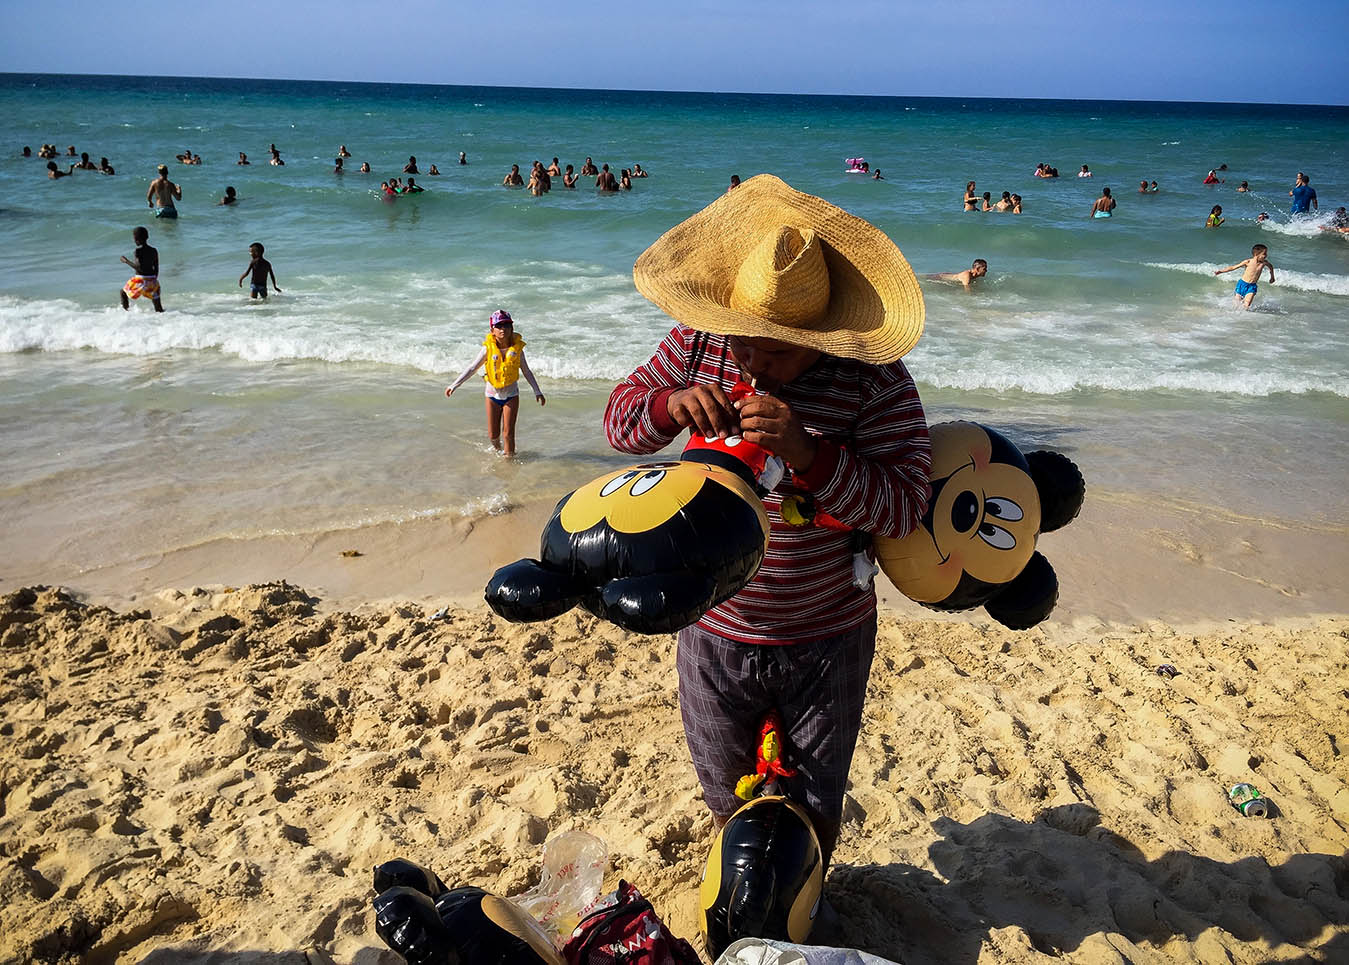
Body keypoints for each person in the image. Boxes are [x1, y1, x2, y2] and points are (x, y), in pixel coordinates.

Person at [605, 174, 931, 868]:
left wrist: (809, 454)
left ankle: (802, 901)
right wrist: (667, 407)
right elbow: (619, 424)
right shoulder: (699, 346)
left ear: (820, 334)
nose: (751, 359)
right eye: (742, 341)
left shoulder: (873, 383)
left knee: (813, 805)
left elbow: (904, 505)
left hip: (827, 633)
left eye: (774, 349)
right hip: (713, 626)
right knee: (725, 794)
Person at [444, 309, 545, 457]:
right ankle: (498, 451)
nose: (503, 329)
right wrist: (454, 385)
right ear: (492, 330)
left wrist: (537, 391)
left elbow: (527, 371)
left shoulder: (517, 350)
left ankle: (508, 460)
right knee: (493, 435)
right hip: (492, 395)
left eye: (506, 325)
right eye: (499, 326)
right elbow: (472, 368)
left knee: (508, 433)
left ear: (512, 329)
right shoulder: (487, 349)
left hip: (511, 394)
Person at [1215, 243, 1275, 310]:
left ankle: (1244, 316)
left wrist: (1272, 276)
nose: (1266, 255)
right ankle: (1233, 315)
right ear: (1256, 254)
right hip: (1242, 284)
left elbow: (1271, 267)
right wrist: (1221, 271)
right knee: (1237, 304)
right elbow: (1233, 267)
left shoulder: (1264, 263)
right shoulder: (1248, 262)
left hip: (1252, 286)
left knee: (1247, 304)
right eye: (1264, 254)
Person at [119, 226, 163, 312]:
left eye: (135, 239)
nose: (134, 241)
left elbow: (139, 268)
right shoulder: (154, 250)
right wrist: (154, 280)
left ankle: (125, 312)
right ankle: (163, 316)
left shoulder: (138, 251)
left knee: (123, 292)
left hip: (140, 280)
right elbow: (156, 267)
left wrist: (126, 261)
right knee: (157, 305)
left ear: (137, 239)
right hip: (152, 279)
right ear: (147, 237)